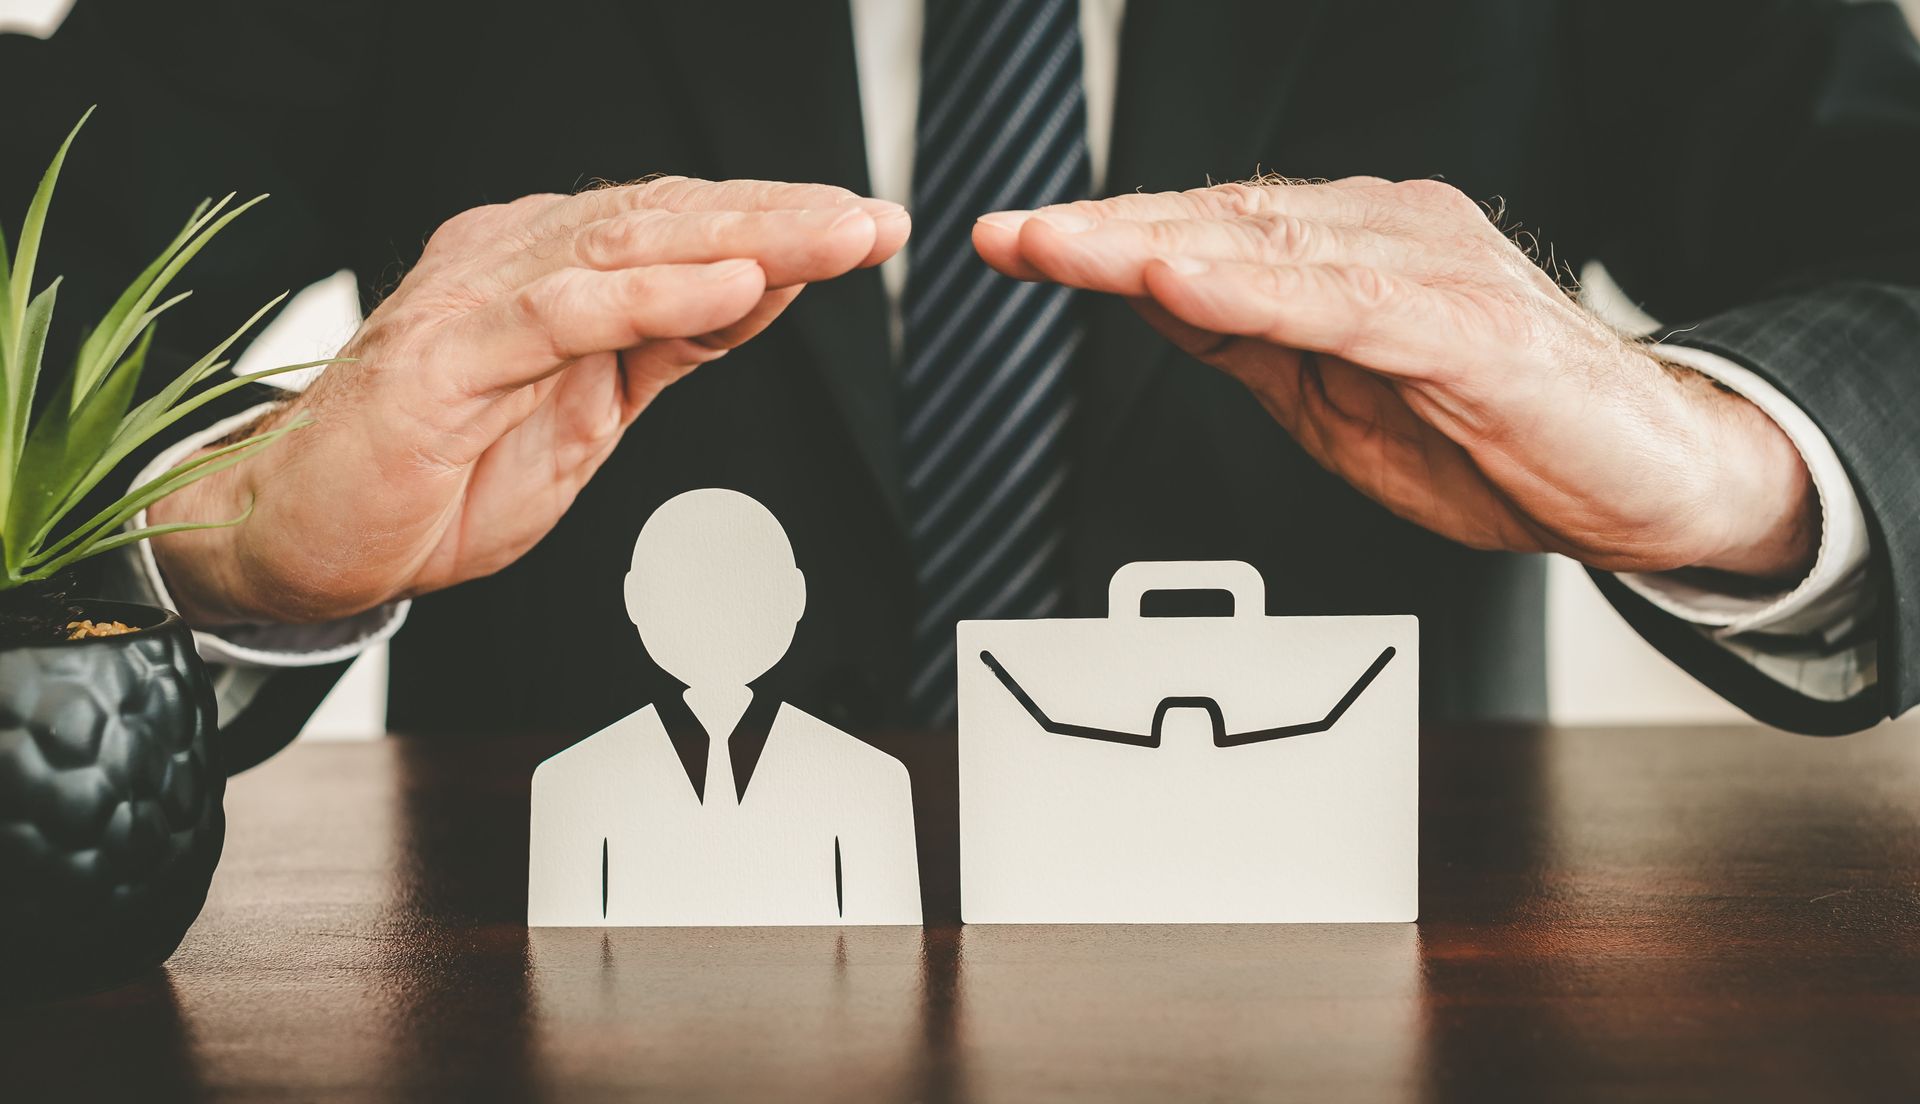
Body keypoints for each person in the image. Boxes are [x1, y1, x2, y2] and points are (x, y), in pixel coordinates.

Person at [1, 0, 1915, 755]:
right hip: (557, 1012)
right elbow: (34, 268)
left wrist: (1735, 457)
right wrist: (208, 541)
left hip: (1382, 1000)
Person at [528, 489, 920, 926]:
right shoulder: (573, 786)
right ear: (633, 599)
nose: (717, 605)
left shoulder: (870, 782)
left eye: (743, 581)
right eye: (688, 582)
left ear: (797, 595)